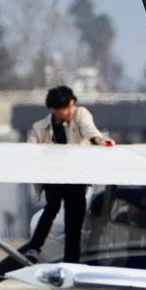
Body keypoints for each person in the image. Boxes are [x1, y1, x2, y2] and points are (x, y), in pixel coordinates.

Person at [22, 85, 113, 264]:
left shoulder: (80, 115)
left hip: (76, 178)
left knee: (74, 224)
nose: (71, 111)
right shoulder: (40, 128)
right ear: (54, 110)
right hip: (54, 177)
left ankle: (71, 263)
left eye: (72, 106)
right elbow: (28, 150)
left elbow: (90, 130)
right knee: (51, 209)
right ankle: (34, 248)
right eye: (67, 108)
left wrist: (100, 140)